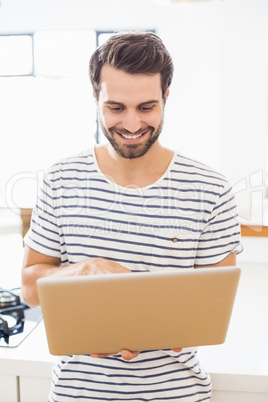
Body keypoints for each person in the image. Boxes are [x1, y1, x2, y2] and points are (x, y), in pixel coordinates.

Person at [21, 31, 241, 401]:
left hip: (177, 394)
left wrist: (149, 327)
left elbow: (214, 307)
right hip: (79, 394)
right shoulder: (60, 179)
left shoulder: (211, 189)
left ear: (166, 98)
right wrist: (84, 270)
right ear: (95, 99)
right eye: (116, 108)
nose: (133, 125)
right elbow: (29, 288)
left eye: (146, 107)